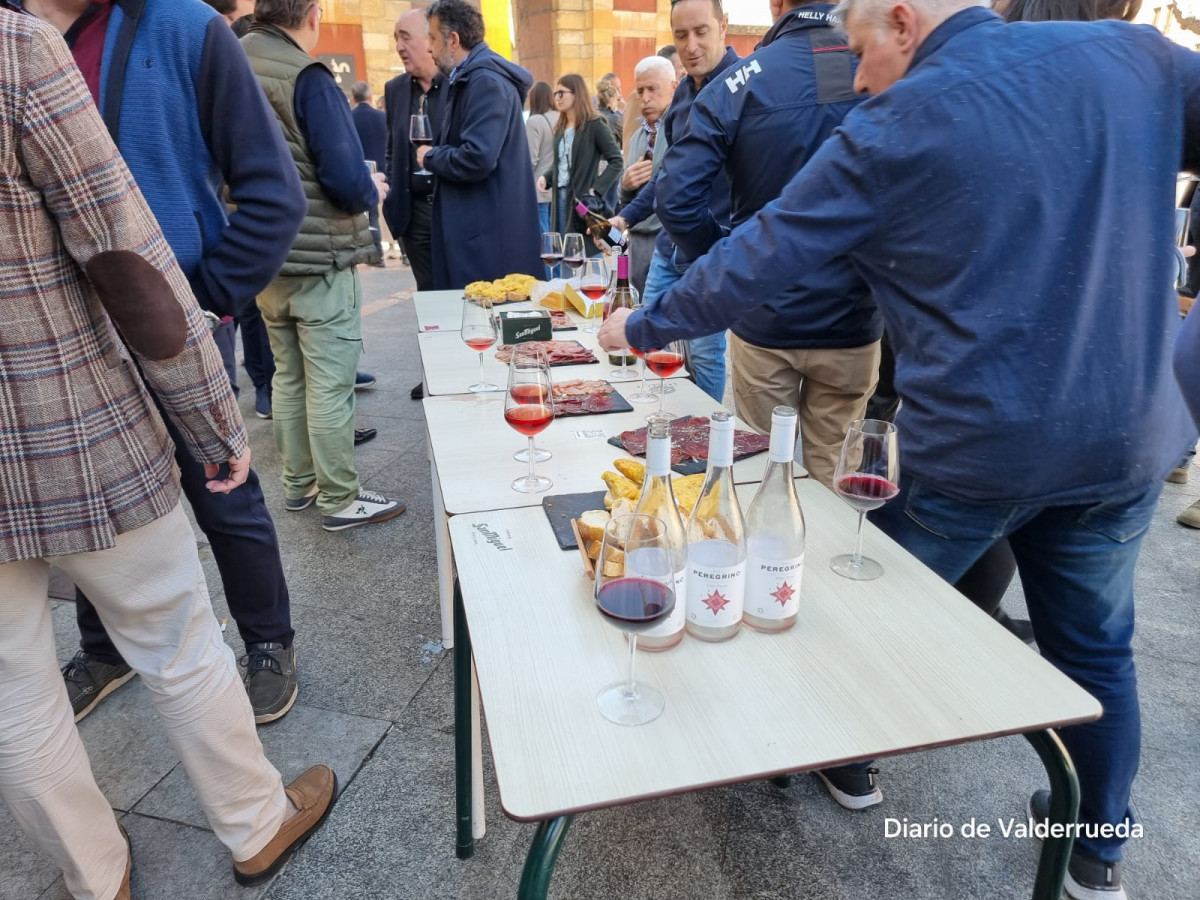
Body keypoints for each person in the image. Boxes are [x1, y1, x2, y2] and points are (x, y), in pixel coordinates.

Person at [599, 3, 1200, 897]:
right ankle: (1096, 846)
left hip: (977, 448)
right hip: (1125, 444)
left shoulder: (901, 117)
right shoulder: (1135, 58)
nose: (856, 78)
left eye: (860, 53)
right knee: (1097, 648)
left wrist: (645, 319)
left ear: (903, 24)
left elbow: (765, 249)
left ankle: (846, 762)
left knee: (855, 609)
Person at [0, 12, 335, 895]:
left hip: (66, 409)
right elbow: (125, 257)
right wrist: (215, 421)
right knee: (176, 631)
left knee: (10, 691)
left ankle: (92, 875)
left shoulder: (180, 27)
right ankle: (255, 825)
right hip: (73, 417)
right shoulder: (17, 51)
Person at [24, 0, 308, 725]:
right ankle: (105, 647)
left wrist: (204, 298)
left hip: (174, 322)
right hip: (50, 340)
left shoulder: (186, 27)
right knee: (88, 499)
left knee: (222, 488)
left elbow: (274, 191)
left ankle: (269, 640)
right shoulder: (10, 38)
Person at [656, 0, 881, 487]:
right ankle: (825, 562)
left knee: (759, 473)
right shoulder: (877, 67)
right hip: (852, 316)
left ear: (776, 6)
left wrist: (730, 257)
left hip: (765, 314)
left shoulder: (740, 81)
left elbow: (674, 199)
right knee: (836, 479)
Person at [243, 0, 406, 532]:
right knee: (330, 383)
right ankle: (339, 496)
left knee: (289, 376)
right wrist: (370, 188)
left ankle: (298, 484)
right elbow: (341, 174)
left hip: (266, 251)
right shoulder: (307, 74)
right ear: (312, 14)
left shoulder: (234, 58)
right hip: (319, 251)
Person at [607, 0, 740, 402]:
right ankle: (662, 421)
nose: (691, 45)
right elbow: (668, 176)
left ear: (723, 26)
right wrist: (625, 217)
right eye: (681, 35)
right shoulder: (683, 94)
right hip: (670, 248)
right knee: (652, 339)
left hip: (712, 253)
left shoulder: (744, 85)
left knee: (704, 353)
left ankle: (700, 435)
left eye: (701, 32)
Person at [419, 0, 543, 287]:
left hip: (485, 245)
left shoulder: (484, 81)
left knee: (481, 327)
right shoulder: (472, 78)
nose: (429, 48)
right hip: (480, 237)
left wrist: (429, 157)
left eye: (433, 38)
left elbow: (478, 157)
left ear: (453, 40)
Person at [384, 7, 447, 402]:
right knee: (428, 297)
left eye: (406, 36)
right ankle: (434, 373)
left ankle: (451, 370)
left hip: (450, 207)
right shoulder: (395, 90)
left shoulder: (455, 84)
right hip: (414, 209)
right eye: (395, 38)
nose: (399, 46)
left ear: (430, 39)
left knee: (454, 293)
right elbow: (393, 147)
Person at [537, 73, 624, 242]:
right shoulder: (561, 126)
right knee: (561, 250)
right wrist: (546, 178)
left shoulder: (595, 124)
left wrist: (597, 189)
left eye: (561, 93)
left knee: (584, 250)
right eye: (555, 94)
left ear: (576, 94)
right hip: (559, 196)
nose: (557, 98)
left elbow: (616, 161)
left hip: (582, 202)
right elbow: (562, 161)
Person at [619, 56, 677, 296]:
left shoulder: (680, 131)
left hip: (668, 242)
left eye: (653, 89)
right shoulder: (637, 139)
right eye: (640, 90)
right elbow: (625, 202)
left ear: (674, 86)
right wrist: (624, 185)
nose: (645, 98)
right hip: (637, 242)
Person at [351, 80, 389, 267]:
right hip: (386, 169)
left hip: (365, 172)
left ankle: (377, 255)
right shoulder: (382, 117)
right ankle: (406, 253)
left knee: (372, 215)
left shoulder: (349, 118)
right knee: (392, 211)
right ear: (370, 97)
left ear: (353, 98)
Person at [526, 80, 560, 242]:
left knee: (545, 241)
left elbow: (530, 160)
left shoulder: (534, 122)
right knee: (559, 239)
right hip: (559, 187)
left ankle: (549, 269)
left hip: (539, 190)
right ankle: (559, 269)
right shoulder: (562, 117)